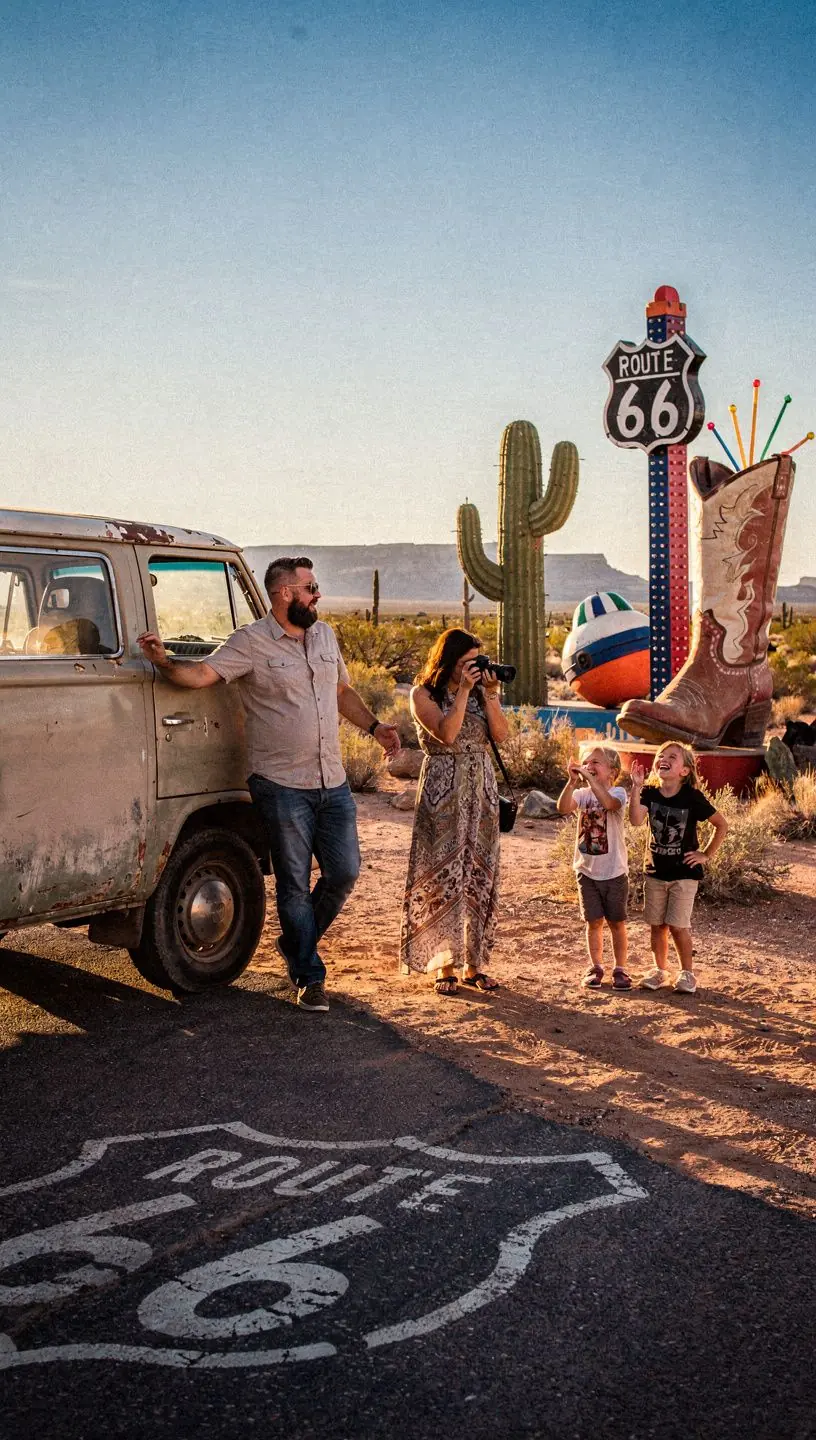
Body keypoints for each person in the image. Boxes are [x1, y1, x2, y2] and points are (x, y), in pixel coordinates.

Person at [137, 556, 400, 1013]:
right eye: (310, 588)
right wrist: (164, 662)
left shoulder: (324, 635)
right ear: (285, 593)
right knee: (294, 884)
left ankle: (296, 943)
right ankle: (309, 976)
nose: (317, 595)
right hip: (281, 785)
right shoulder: (250, 642)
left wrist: (375, 727)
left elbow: (341, 692)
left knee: (344, 873)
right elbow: (201, 675)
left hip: (332, 780)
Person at [399, 628, 509, 996]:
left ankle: (474, 965)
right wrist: (462, 691)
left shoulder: (480, 691)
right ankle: (443, 965)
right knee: (441, 878)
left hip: (481, 791)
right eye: (466, 663)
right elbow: (447, 733)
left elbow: (501, 734)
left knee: (478, 876)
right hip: (443, 791)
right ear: (448, 662)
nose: (473, 669)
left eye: (477, 661)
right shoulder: (422, 694)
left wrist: (490, 695)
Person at [629, 742, 728, 995]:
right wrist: (636, 788)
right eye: (661, 755)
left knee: (678, 926)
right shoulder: (649, 792)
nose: (664, 758)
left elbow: (721, 824)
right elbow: (636, 820)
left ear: (684, 770)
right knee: (657, 925)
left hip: (684, 874)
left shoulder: (691, 797)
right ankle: (660, 970)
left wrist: (706, 854)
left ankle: (687, 973)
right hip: (655, 872)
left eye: (672, 757)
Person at [557, 743, 631, 990]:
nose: (589, 766)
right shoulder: (582, 794)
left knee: (616, 922)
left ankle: (620, 968)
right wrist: (572, 782)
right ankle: (596, 966)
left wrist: (589, 779)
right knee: (593, 921)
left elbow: (609, 804)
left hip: (613, 872)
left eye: (595, 762)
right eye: (586, 762)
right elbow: (563, 808)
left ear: (612, 772)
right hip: (586, 871)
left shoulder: (618, 792)